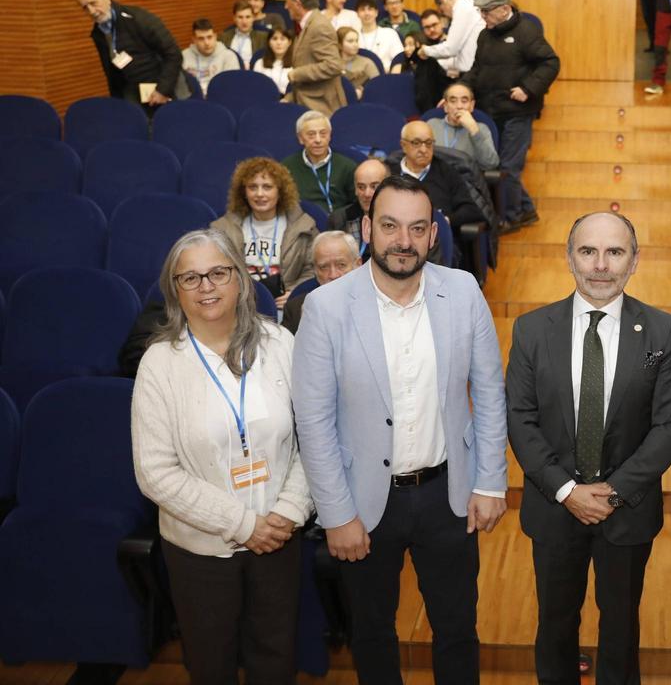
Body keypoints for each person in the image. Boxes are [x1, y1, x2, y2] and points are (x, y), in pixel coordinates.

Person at [293, 175, 509, 684]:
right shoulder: (325, 307)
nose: (403, 241)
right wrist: (337, 513)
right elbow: (314, 419)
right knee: (372, 632)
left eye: (417, 228)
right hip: (365, 504)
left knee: (457, 629)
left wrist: (489, 481)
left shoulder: (462, 290)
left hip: (448, 495)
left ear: (433, 235)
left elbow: (490, 391)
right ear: (367, 228)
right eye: (390, 226)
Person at [506, 211, 671, 685]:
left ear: (635, 261)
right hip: (553, 507)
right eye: (588, 251)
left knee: (622, 630)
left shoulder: (662, 329)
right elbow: (521, 421)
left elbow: (670, 424)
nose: (601, 265)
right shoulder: (531, 330)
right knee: (555, 626)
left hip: (625, 511)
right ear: (569, 258)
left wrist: (613, 491)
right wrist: (567, 490)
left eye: (615, 252)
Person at [132, 229, 312, 684]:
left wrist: (288, 512)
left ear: (241, 280)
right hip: (200, 550)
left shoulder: (280, 344)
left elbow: (313, 438)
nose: (206, 286)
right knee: (210, 665)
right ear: (174, 290)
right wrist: (244, 525)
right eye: (189, 278)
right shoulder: (159, 363)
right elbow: (155, 472)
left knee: (276, 659)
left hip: (280, 537)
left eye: (217, 272)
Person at [461, 0, 560, 232]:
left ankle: (513, 216)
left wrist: (527, 88)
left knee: (508, 167)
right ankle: (525, 209)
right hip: (491, 111)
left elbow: (550, 62)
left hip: (517, 112)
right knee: (499, 166)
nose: (482, 17)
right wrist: (460, 90)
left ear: (504, 9)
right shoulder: (485, 35)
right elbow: (477, 70)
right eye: (481, 12)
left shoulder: (526, 31)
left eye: (486, 12)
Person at [211, 156, 318, 310]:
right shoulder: (222, 229)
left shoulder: (303, 226)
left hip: (286, 306)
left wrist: (295, 292)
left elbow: (313, 268)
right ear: (244, 192)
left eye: (267, 187)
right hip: (239, 306)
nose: (259, 194)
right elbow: (214, 271)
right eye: (253, 187)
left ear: (280, 191)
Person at [76, 0, 184, 108]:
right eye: (85, 8)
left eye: (93, 3)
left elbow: (173, 54)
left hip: (165, 90)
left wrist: (162, 90)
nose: (91, 11)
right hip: (133, 94)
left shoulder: (139, 18)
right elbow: (111, 73)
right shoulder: (98, 33)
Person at [386, 120, 485, 233]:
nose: (424, 150)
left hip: (438, 241)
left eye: (429, 143)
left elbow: (471, 209)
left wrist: (446, 221)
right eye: (416, 143)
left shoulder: (447, 172)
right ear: (403, 145)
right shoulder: (389, 173)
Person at [282, 0, 347, 116]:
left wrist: (296, 74)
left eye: (287, 1)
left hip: (321, 106)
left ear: (297, 3)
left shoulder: (319, 26)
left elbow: (333, 65)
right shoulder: (308, 24)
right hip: (306, 101)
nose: (285, 6)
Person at [281, 230, 361, 334]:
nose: (333, 275)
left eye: (341, 265)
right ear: (315, 270)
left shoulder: (377, 303)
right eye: (324, 267)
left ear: (358, 265)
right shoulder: (296, 309)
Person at [280, 110, 357, 213]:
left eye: (323, 133)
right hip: (300, 224)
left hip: (338, 225)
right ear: (300, 138)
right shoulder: (286, 167)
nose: (318, 140)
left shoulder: (347, 167)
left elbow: (356, 204)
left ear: (330, 136)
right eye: (311, 134)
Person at [427, 82, 500, 169]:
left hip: (466, 180)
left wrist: (474, 130)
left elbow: (491, 163)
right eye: (453, 101)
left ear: (472, 106)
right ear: (445, 106)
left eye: (464, 101)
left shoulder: (481, 128)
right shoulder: (431, 125)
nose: (459, 106)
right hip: (435, 178)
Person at [419, 0, 486, 77]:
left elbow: (450, 49)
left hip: (474, 73)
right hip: (474, 70)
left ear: (443, 0)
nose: (445, 14)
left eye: (441, 10)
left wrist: (426, 50)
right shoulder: (469, 5)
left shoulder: (462, 9)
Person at [329, 157, 389, 253]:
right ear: (355, 190)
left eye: (374, 187)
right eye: (361, 187)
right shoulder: (339, 220)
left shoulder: (402, 219)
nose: (367, 194)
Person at [182, 18, 240, 96]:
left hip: (218, 100)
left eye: (209, 37)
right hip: (192, 102)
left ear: (215, 37)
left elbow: (231, 88)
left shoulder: (229, 56)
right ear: (194, 40)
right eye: (201, 39)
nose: (206, 43)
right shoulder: (183, 56)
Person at [355, 0, 404, 71]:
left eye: (370, 9)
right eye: (362, 10)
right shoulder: (353, 36)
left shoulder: (390, 33)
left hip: (386, 77)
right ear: (357, 14)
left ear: (376, 12)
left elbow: (399, 60)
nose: (366, 13)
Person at [220, 0, 268, 68]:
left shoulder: (264, 37)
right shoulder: (223, 37)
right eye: (240, 17)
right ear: (234, 18)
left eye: (248, 17)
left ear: (253, 18)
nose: (244, 21)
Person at [337, 27, 379, 100]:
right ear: (339, 44)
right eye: (350, 41)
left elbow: (378, 85)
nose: (355, 44)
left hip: (361, 101)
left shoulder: (367, 63)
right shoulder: (331, 63)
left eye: (356, 41)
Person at [252, 26, 294, 94]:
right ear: (269, 43)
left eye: (282, 39)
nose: (278, 43)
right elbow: (255, 88)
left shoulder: (297, 64)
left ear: (289, 42)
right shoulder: (259, 63)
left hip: (288, 101)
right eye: (274, 39)